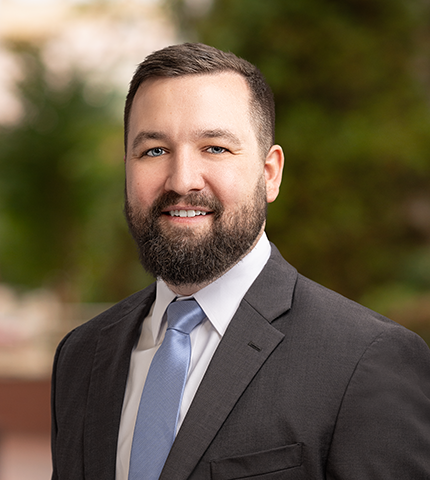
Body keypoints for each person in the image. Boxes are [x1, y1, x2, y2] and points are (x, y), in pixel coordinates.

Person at [50, 43, 430, 480]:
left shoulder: (367, 360)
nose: (182, 181)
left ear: (270, 174)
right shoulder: (81, 355)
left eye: (215, 148)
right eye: (154, 150)